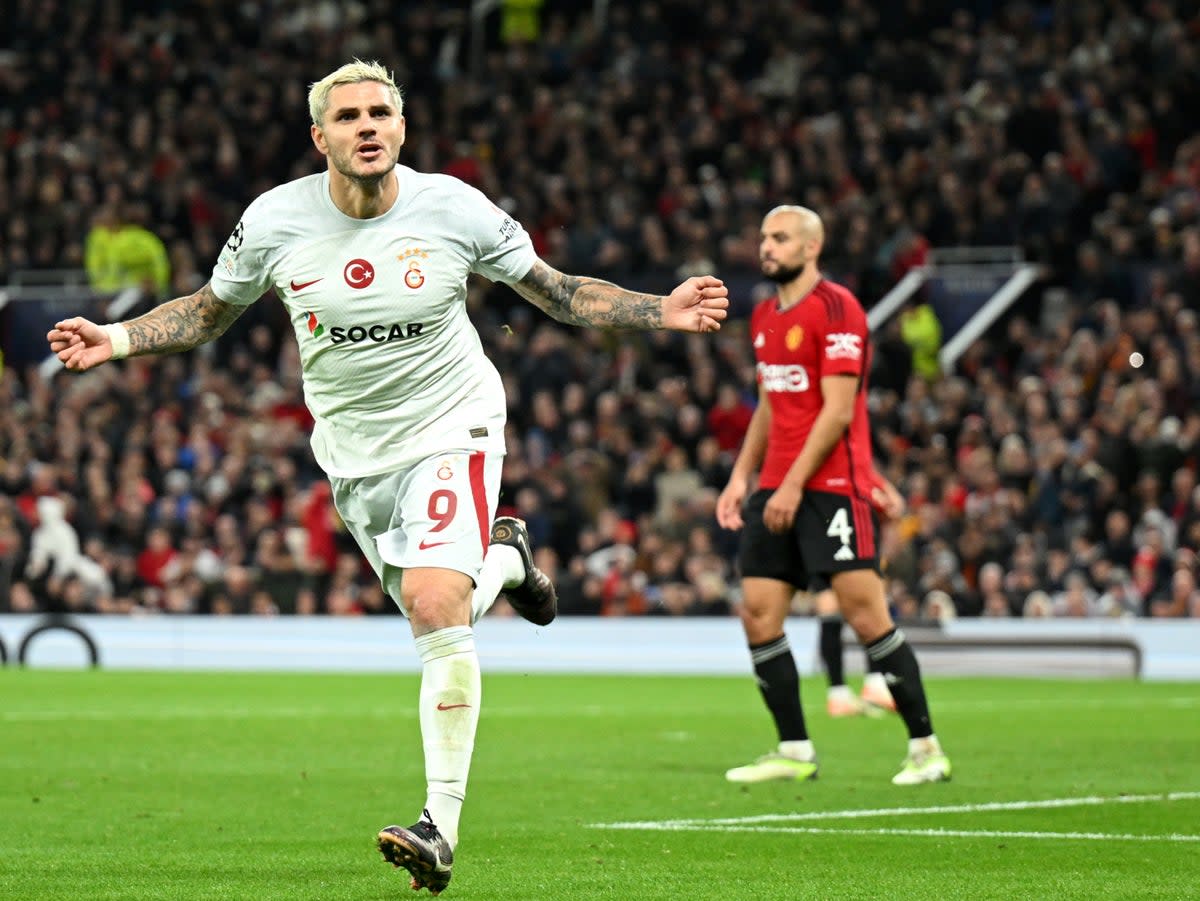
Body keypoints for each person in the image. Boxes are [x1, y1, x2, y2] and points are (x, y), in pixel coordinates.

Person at [48, 59, 729, 896]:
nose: (366, 126)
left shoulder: (454, 208)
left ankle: (439, 825)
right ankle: (507, 560)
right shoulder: (273, 221)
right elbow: (202, 313)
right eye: (349, 117)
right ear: (320, 137)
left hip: (455, 421)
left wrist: (659, 307)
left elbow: (552, 290)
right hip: (353, 452)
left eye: (381, 113)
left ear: (401, 128)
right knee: (433, 607)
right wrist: (112, 341)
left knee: (437, 602)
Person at [715, 205, 950, 786]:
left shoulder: (840, 309)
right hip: (773, 486)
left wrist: (793, 484)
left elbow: (839, 410)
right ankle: (794, 750)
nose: (766, 247)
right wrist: (741, 476)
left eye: (780, 237)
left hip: (830, 488)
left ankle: (926, 749)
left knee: (866, 615)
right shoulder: (764, 315)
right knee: (759, 614)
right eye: (763, 236)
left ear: (811, 247)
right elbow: (772, 403)